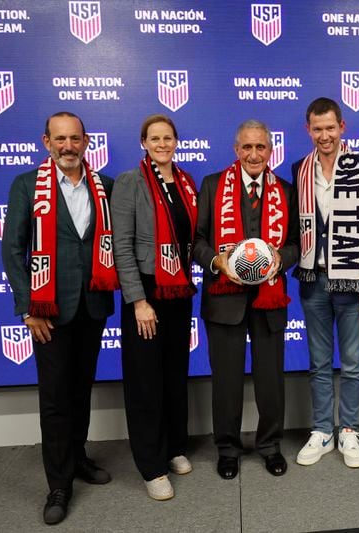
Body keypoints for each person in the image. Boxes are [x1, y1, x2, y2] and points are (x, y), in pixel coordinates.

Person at [1, 112, 117, 525]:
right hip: (47, 308)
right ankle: (58, 483)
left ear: (86, 141)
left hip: (93, 305)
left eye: (75, 139)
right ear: (46, 141)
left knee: (81, 388)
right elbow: (13, 250)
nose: (68, 146)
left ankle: (78, 456)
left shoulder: (105, 186)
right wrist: (29, 307)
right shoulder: (27, 186)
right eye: (60, 139)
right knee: (54, 397)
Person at [193, 119, 299, 480]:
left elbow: (298, 242)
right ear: (236, 149)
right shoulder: (211, 186)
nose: (254, 154)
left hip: (270, 297)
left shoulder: (285, 190)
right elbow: (197, 241)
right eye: (247, 147)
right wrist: (217, 261)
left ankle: (270, 445)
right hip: (225, 298)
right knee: (226, 380)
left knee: (271, 379)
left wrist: (281, 259)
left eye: (261, 147)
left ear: (271, 150)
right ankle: (227, 448)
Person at [291, 98, 359, 468]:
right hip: (313, 278)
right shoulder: (299, 169)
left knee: (353, 363)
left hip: (353, 279)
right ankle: (322, 431)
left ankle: (348, 430)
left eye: (331, 128)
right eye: (317, 128)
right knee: (318, 362)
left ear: (342, 127)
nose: (324, 135)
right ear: (308, 130)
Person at [111, 114, 198, 500]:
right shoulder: (131, 182)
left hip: (177, 288)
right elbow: (122, 246)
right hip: (146, 289)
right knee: (146, 379)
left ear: (176, 141)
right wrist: (138, 301)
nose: (162, 144)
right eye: (154, 138)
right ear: (143, 142)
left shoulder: (185, 183)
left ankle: (174, 446)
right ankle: (151, 465)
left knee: (174, 372)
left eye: (168, 138)